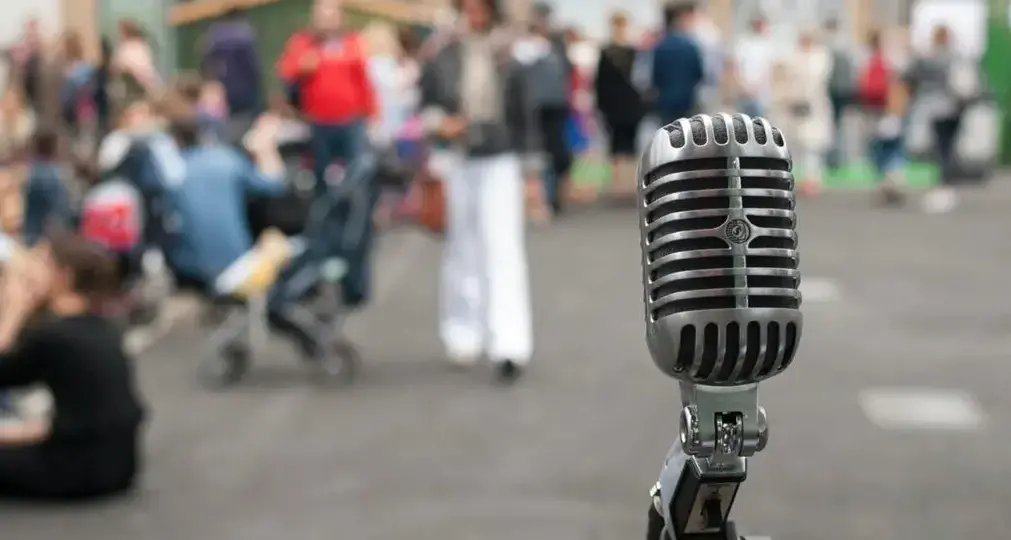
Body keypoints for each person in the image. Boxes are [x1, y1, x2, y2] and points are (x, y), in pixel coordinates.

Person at [420, 0, 533, 384]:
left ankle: (509, 343)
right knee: (461, 247)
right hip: (459, 157)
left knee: (503, 248)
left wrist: (531, 170)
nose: (474, 14)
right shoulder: (443, 55)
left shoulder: (509, 58)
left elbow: (524, 116)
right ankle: (462, 330)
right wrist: (441, 124)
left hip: (500, 157)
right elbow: (427, 105)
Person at [0, 231, 145, 499]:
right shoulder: (100, 325)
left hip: (78, 470)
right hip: (120, 464)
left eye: (39, 263)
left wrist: (15, 305)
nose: (27, 272)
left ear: (62, 277)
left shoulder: (54, 335)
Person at [905, 25, 974, 214]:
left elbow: (910, 76)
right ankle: (947, 181)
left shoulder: (928, 57)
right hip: (955, 106)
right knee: (950, 145)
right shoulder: (957, 56)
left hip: (934, 107)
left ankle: (943, 181)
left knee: (940, 145)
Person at [594, 11, 645, 201]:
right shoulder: (625, 52)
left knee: (624, 146)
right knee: (619, 146)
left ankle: (624, 185)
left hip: (622, 106)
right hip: (621, 106)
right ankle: (620, 185)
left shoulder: (622, 52)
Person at [776, 29, 832, 196]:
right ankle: (801, 177)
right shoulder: (795, 57)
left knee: (812, 145)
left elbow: (817, 80)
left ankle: (813, 178)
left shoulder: (820, 56)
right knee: (796, 143)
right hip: (795, 106)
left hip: (814, 107)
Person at [202, 7, 263, 120]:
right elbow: (254, 69)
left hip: (222, 97)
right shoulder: (246, 34)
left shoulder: (213, 35)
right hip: (245, 94)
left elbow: (208, 66)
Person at [651, 2, 704, 125]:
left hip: (665, 101)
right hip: (686, 100)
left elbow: (655, 77)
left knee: (667, 136)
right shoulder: (690, 46)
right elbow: (699, 74)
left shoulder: (660, 46)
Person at [22, 129, 71, 246]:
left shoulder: (31, 172)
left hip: (31, 234)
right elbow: (58, 212)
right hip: (44, 238)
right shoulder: (52, 176)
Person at [824, 17, 857, 168]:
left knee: (833, 126)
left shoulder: (829, 45)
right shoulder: (846, 44)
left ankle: (834, 158)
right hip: (844, 91)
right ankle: (839, 158)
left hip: (833, 91)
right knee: (840, 126)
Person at [732, 15, 774, 119]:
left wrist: (756, 88)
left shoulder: (767, 46)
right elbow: (736, 68)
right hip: (743, 93)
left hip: (760, 95)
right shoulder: (743, 44)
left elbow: (766, 71)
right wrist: (743, 86)